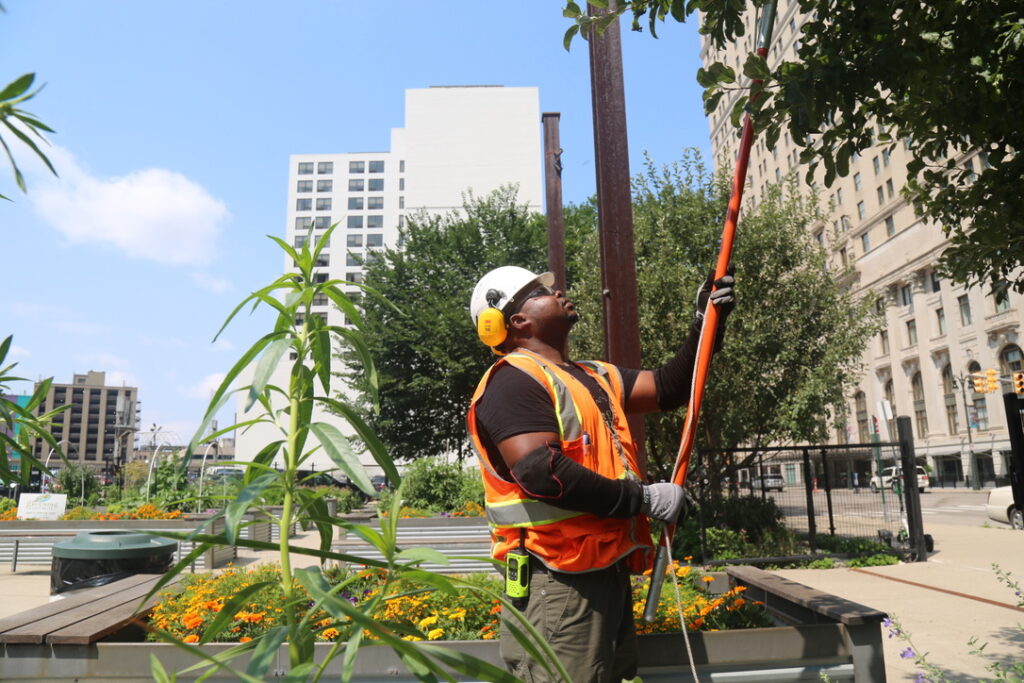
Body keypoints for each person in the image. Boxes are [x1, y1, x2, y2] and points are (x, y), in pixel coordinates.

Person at [466, 265, 735, 682]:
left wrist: (706, 324)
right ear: (518, 320)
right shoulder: (513, 381)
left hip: (597, 571)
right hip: (556, 578)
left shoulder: (592, 376)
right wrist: (644, 500)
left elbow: (670, 387)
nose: (559, 293)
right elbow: (541, 472)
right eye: (542, 291)